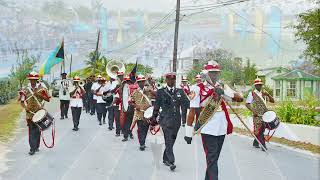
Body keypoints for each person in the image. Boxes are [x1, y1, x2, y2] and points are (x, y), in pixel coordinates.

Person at [184, 61, 243, 180]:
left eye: (216, 73)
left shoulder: (222, 86)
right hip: (207, 126)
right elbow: (192, 111)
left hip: (221, 127)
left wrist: (224, 92)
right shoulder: (197, 88)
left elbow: (239, 98)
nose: (214, 75)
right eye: (212, 73)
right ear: (206, 73)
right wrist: (188, 132)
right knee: (211, 158)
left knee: (213, 159)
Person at [152, 72, 189, 171]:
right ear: (166, 80)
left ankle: (165, 158)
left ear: (175, 81)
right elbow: (156, 106)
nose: (171, 81)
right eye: (169, 79)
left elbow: (186, 104)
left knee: (172, 140)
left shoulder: (180, 92)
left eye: (173, 79)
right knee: (168, 140)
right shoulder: (161, 92)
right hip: (165, 120)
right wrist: (153, 119)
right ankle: (171, 161)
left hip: (176, 120)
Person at [19, 71, 51, 155]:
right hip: (30, 114)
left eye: (34, 79)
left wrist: (38, 94)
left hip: (39, 113)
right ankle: (32, 148)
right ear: (29, 80)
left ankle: (36, 146)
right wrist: (26, 108)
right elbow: (22, 102)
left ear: (37, 79)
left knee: (38, 130)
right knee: (31, 130)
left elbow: (48, 99)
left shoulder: (42, 88)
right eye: (31, 79)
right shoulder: (25, 89)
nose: (32, 81)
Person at [245, 78, 275, 150]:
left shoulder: (264, 93)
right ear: (255, 86)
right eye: (258, 85)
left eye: (260, 85)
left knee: (262, 129)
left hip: (265, 114)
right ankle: (263, 145)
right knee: (259, 130)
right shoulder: (252, 93)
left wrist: (268, 94)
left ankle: (255, 142)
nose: (259, 86)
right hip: (257, 115)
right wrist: (253, 111)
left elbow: (273, 101)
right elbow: (247, 104)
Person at [130, 74, 151, 151]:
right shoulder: (135, 92)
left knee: (145, 129)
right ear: (138, 83)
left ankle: (143, 142)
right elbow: (130, 101)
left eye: (143, 81)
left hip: (148, 114)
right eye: (140, 82)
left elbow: (156, 98)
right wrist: (136, 106)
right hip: (139, 114)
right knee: (140, 129)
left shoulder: (149, 91)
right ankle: (141, 144)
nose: (141, 83)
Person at [121, 76, 136, 142]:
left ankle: (129, 133)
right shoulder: (122, 88)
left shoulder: (134, 88)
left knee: (131, 122)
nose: (126, 83)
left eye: (127, 81)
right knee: (127, 122)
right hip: (127, 107)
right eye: (126, 82)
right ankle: (126, 135)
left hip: (132, 106)